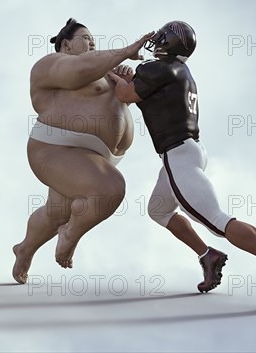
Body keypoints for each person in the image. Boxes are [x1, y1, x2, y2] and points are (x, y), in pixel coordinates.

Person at [108, 21, 256, 306]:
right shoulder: (177, 70)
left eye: (162, 38)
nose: (156, 42)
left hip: (178, 154)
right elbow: (134, 90)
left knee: (218, 222)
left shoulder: (160, 69)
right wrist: (125, 76)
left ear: (169, 43)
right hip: (185, 152)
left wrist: (111, 73)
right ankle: (208, 256)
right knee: (159, 209)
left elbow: (125, 96)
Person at [12, 18, 153, 283]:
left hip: (93, 156)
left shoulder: (103, 72)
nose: (92, 44)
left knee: (56, 212)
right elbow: (78, 72)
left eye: (94, 41)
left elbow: (109, 108)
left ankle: (24, 249)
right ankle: (70, 235)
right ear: (66, 44)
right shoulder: (51, 64)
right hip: (57, 148)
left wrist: (122, 87)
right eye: (86, 39)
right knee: (109, 189)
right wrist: (123, 52)